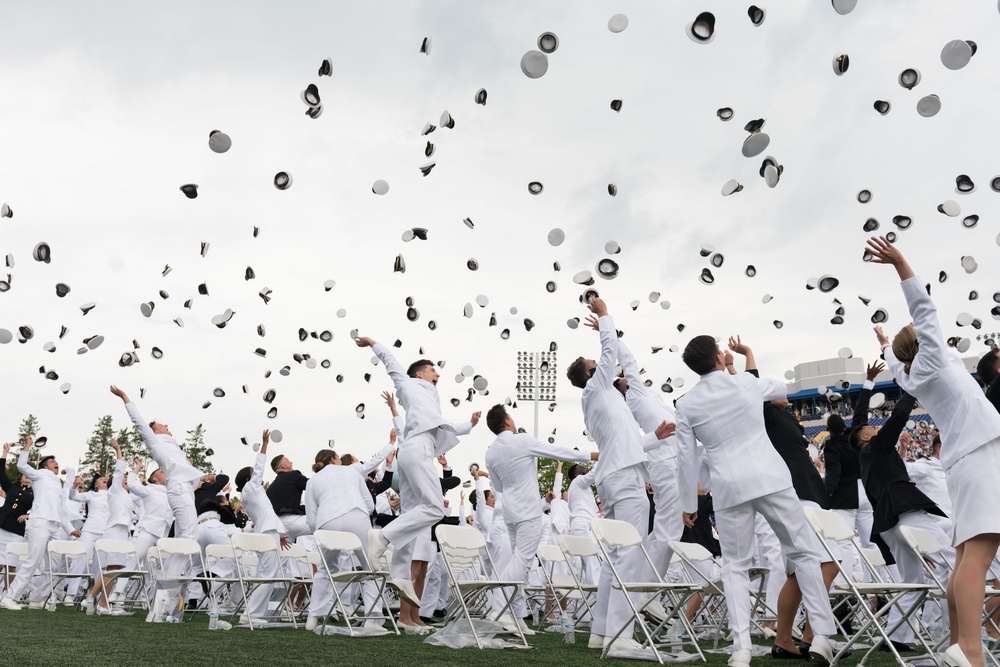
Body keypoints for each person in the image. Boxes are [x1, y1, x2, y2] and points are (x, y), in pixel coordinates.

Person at [866, 235, 1000, 667]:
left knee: (966, 556)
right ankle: (971, 651)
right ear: (924, 344)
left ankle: (962, 647)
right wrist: (901, 262)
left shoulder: (909, 375)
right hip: (978, 455)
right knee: (978, 556)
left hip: (964, 460)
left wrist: (886, 344)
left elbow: (893, 360)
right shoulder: (934, 361)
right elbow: (925, 310)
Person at [675, 335, 835, 666]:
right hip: (770, 478)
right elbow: (779, 389)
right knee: (804, 552)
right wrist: (744, 359)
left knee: (735, 566)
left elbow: (685, 458)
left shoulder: (687, 405)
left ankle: (741, 648)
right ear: (720, 358)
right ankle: (820, 635)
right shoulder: (746, 384)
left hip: (728, 487)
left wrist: (688, 503)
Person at [565, 297, 673, 657]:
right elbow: (609, 350)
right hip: (622, 479)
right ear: (589, 374)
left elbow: (624, 442)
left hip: (617, 473)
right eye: (595, 365)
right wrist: (605, 314)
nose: (601, 366)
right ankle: (621, 635)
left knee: (615, 555)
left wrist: (653, 439)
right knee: (630, 551)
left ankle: (601, 632)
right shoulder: (597, 390)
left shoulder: (606, 400)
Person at [727, 336, 839, 658]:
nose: (783, 394)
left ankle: (789, 640)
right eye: (777, 392)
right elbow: (749, 388)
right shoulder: (766, 416)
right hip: (795, 492)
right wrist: (743, 357)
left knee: (804, 570)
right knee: (824, 564)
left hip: (808, 491)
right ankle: (810, 637)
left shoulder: (788, 417)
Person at [354, 335, 481, 609]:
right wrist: (373, 343)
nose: (438, 373)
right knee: (435, 508)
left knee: (413, 516)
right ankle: (383, 536)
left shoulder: (431, 400)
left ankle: (400, 581)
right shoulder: (409, 385)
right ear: (419, 373)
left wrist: (468, 425)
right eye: (434, 369)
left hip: (417, 449)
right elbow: (391, 363)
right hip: (417, 448)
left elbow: (441, 424)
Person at [852, 374, 953, 652]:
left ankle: (897, 636)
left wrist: (868, 384)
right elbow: (897, 418)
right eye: (869, 429)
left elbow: (859, 420)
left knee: (912, 583)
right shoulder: (878, 446)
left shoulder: (866, 460)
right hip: (906, 512)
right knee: (954, 559)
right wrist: (911, 387)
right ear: (865, 438)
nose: (873, 427)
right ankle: (959, 631)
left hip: (889, 524)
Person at [483, 403, 597, 632]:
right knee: (522, 562)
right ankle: (498, 609)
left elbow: (497, 486)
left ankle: (513, 616)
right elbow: (555, 451)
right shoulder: (522, 440)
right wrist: (590, 455)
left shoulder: (490, 451)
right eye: (511, 417)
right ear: (506, 421)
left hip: (511, 513)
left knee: (520, 563)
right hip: (528, 511)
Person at [110, 386, 205, 541]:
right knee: (189, 537)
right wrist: (124, 396)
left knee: (185, 537)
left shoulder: (173, 447)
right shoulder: (156, 442)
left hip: (185, 490)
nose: (166, 425)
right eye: (162, 424)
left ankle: (170, 567)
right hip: (179, 489)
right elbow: (139, 422)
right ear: (156, 432)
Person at [1, 437, 80, 610]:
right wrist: (28, 445)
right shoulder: (39, 475)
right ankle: (9, 597)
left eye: (56, 461)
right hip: (39, 522)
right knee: (33, 561)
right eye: (52, 461)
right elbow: (22, 466)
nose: (56, 463)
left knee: (53, 565)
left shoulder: (57, 484)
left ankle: (37, 599)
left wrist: (70, 529)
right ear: (45, 466)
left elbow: (61, 509)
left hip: (54, 525)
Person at [304, 447, 378, 631]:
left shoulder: (312, 481)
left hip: (327, 521)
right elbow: (369, 504)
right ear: (334, 459)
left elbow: (311, 518)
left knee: (324, 569)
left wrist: (320, 534)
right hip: (356, 515)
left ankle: (313, 617)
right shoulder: (351, 471)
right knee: (371, 567)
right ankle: (372, 618)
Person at [233, 429, 290, 624]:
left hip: (268, 531)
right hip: (266, 533)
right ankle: (252, 614)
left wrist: (278, 534)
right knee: (268, 574)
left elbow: (267, 513)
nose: (257, 474)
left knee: (267, 574)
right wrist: (265, 444)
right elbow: (259, 467)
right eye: (253, 473)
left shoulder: (254, 492)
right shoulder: (250, 488)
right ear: (249, 479)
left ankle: (256, 612)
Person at [0, 442, 31, 587]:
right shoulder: (12, 487)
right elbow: (1, 472)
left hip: (16, 530)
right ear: (21, 477)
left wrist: (29, 516)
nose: (27, 477)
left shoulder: (35, 493)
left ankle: (8, 593)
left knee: (11, 565)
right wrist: (5, 453)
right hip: (2, 525)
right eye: (25, 474)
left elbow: (41, 508)